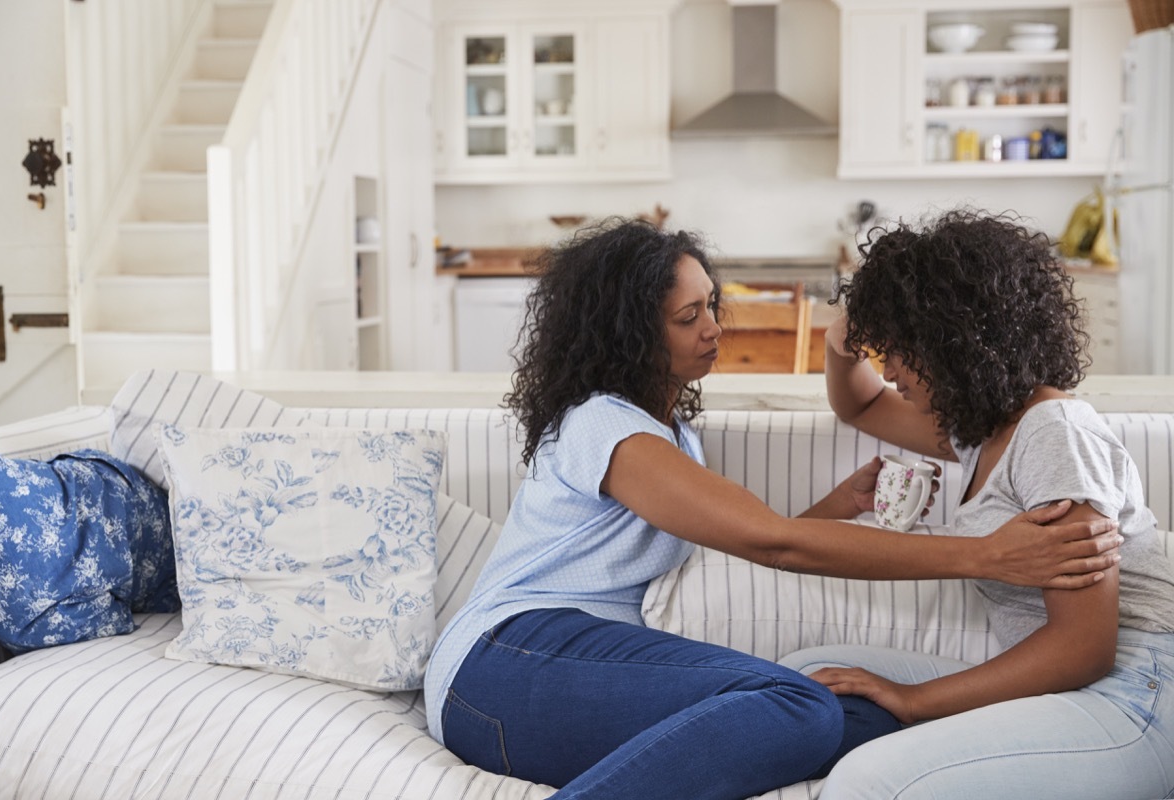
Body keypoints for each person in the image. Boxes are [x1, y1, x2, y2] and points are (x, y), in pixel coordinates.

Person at [422, 217, 1122, 800]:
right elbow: (771, 543)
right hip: (506, 660)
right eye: (688, 317)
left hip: (562, 686)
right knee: (801, 704)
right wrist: (987, 554)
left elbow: (746, 541)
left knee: (863, 717)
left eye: (713, 306)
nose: (713, 329)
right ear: (628, 334)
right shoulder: (604, 425)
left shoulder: (673, 437)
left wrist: (836, 506)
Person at [782, 209, 1174, 799]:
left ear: (953, 339)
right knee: (805, 676)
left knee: (870, 781)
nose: (888, 369)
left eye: (899, 349)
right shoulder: (983, 431)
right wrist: (843, 340)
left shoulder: (1055, 433)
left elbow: (1083, 649)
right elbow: (860, 406)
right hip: (1072, 689)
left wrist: (913, 701)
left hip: (1136, 691)